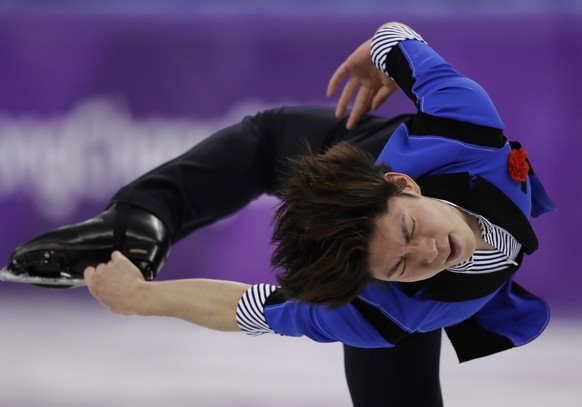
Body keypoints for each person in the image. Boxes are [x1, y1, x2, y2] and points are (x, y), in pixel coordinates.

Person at [6, 22, 555, 406]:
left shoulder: (467, 127)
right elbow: (247, 307)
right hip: (391, 314)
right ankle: (139, 223)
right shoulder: (374, 310)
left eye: (410, 231)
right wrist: (142, 299)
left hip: (361, 151)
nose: (429, 250)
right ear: (376, 284)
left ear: (404, 186)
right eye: (399, 265)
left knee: (278, 140)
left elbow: (397, 36)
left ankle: (144, 215)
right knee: (388, 345)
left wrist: (375, 51)